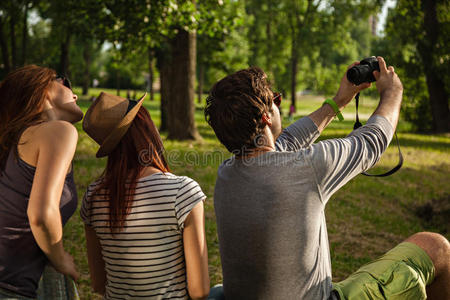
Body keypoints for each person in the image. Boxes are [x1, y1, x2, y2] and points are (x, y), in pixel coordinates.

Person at [204, 57, 450, 299]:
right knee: (436, 247)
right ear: (266, 117)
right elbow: (373, 141)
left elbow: (286, 141)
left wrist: (339, 101)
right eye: (275, 100)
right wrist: (393, 93)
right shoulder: (306, 168)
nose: (279, 104)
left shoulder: (226, 173)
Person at [81, 92, 210, 299]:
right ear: (148, 131)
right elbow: (199, 291)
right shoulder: (182, 192)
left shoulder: (93, 197)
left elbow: (98, 283)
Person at [0, 65, 82, 299]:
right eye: (65, 82)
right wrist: (61, 259)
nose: (74, 93)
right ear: (41, 87)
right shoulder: (59, 131)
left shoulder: (15, 140)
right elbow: (41, 214)